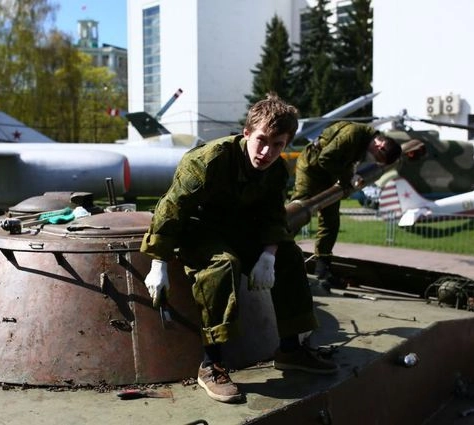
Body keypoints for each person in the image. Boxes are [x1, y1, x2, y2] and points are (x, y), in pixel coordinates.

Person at [140, 93, 338, 404]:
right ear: (246, 133)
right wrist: (158, 263)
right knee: (223, 264)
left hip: (237, 229)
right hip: (197, 230)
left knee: (289, 256)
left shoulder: (276, 170)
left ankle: (290, 349)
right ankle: (211, 363)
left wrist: (269, 255)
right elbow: (172, 209)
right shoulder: (209, 160)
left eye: (278, 144)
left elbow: (273, 215)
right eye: (262, 140)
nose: (267, 152)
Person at [290, 121, 402, 287]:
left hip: (329, 174)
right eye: (377, 158)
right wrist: (348, 177)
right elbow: (325, 158)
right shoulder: (353, 133)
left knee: (331, 221)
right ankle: (275, 250)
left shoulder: (364, 141)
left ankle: (322, 269)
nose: (373, 159)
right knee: (297, 213)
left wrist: (349, 177)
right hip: (311, 167)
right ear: (381, 146)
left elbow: (345, 161)